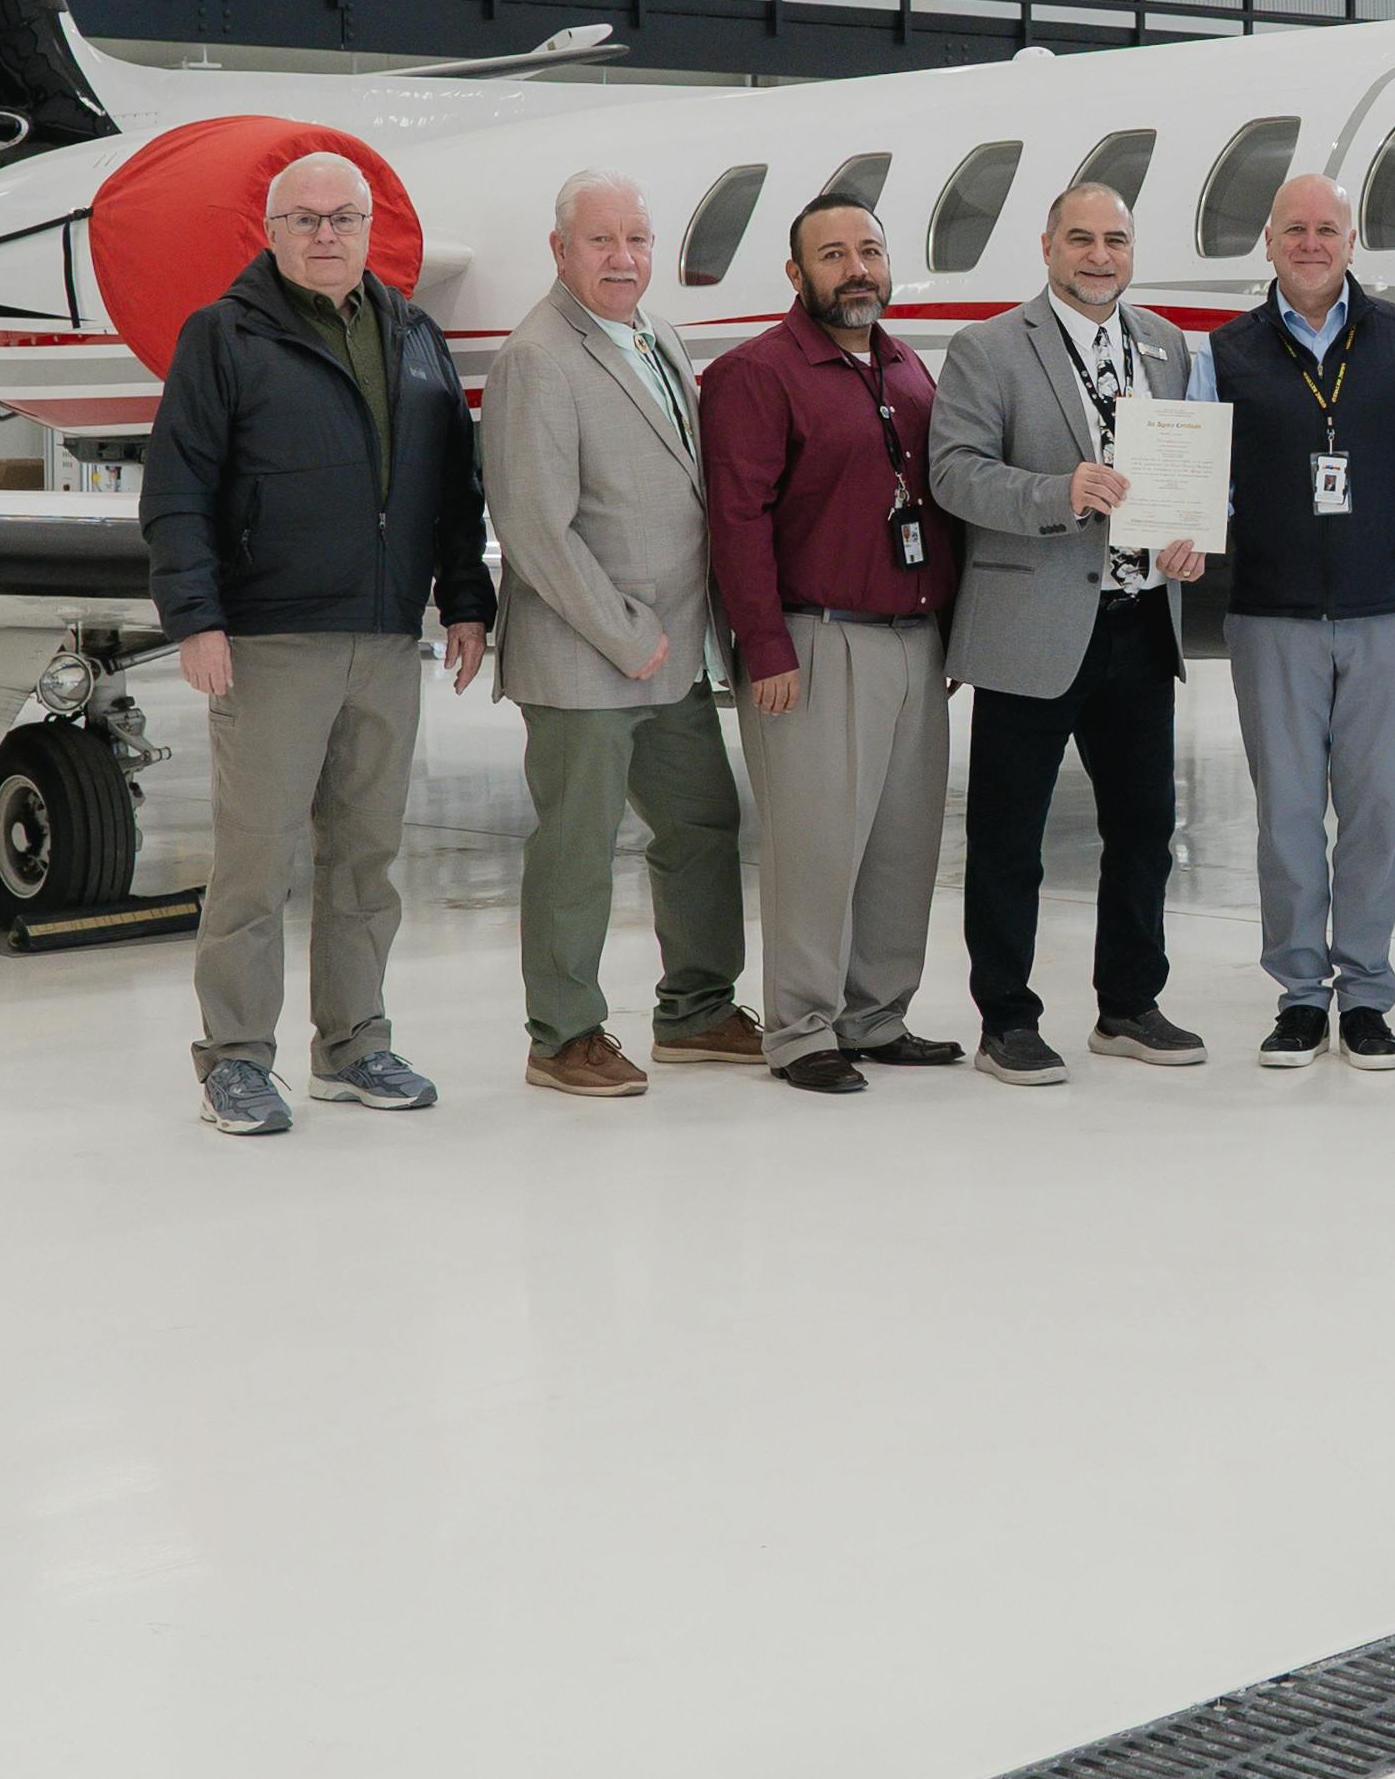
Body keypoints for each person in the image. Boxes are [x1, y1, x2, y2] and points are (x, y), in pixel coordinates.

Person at [138, 147, 492, 1138]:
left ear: (370, 226)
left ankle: (353, 1045)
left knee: (366, 859)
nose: (326, 233)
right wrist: (197, 618)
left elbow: (449, 490)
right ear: (272, 229)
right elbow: (176, 491)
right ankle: (236, 1061)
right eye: (305, 218)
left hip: (385, 638)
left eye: (343, 217)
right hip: (270, 639)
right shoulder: (223, 336)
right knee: (255, 862)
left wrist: (465, 599)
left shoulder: (415, 333)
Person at [924, 180, 1219, 1085]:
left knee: (1145, 828)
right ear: (1046, 246)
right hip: (1031, 630)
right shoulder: (987, 348)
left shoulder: (1168, 346)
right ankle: (1005, 1020)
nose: (1100, 257)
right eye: (1081, 239)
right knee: (1011, 839)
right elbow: (952, 473)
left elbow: (1190, 470)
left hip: (1137, 625)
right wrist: (1057, 494)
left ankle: (1129, 1005)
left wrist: (1189, 542)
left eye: (1116, 241)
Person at [478, 169, 758, 1099]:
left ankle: (697, 1008)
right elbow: (532, 526)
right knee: (576, 847)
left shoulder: (655, 336)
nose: (623, 257)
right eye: (601, 241)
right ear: (560, 251)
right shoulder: (536, 357)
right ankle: (562, 1036)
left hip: (670, 652)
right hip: (589, 656)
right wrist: (622, 633)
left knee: (701, 822)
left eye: (636, 239)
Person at [697, 188, 964, 1094]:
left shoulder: (906, 370)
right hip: (817, 642)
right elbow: (736, 521)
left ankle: (875, 1015)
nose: (857, 269)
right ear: (796, 273)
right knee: (814, 847)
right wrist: (764, 647)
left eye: (870, 251)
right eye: (834, 254)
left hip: (913, 638)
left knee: (901, 842)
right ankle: (802, 1029)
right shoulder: (756, 373)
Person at [1212, 171, 1395, 1070]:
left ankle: (1365, 993)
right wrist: (1174, 531)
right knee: (1285, 816)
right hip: (1271, 616)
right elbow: (1204, 483)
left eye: (1328, 228)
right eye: (1294, 228)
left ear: (1353, 241)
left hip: (1385, 615)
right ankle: (1297, 996)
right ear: (1269, 241)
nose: (1311, 242)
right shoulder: (1225, 352)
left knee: (1374, 813)